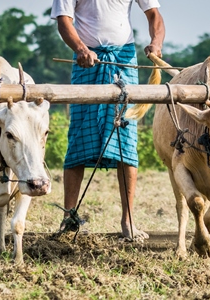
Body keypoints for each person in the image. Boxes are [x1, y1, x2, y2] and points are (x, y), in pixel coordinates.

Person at [51, 0, 165, 240]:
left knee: (126, 138)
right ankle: (69, 217)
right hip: (86, 62)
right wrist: (80, 48)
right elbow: (64, 21)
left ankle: (128, 221)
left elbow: (154, 15)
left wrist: (156, 43)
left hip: (124, 61)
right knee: (79, 137)